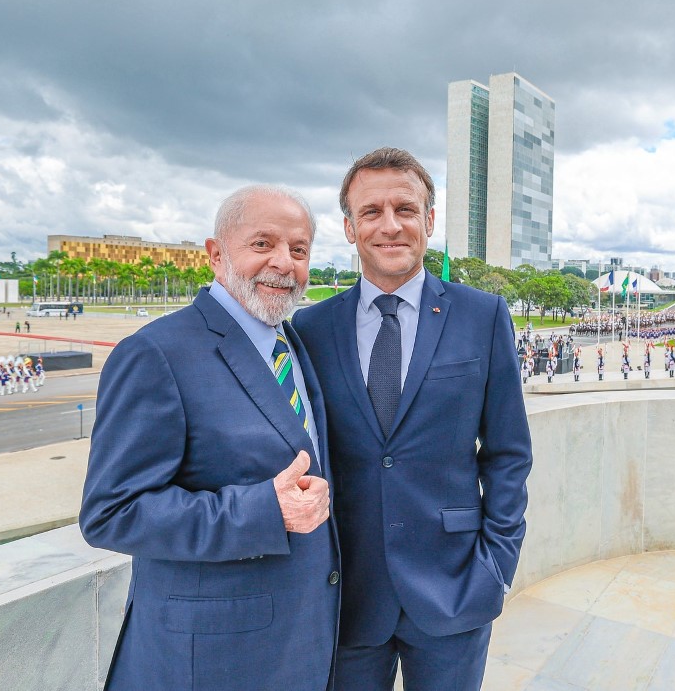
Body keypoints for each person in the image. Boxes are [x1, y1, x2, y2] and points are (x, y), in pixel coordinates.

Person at [79, 185, 339, 691]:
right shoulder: (156, 353)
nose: (284, 263)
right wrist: (265, 509)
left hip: (300, 645)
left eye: (299, 249)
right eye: (262, 244)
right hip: (209, 660)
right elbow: (110, 514)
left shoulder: (292, 343)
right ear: (216, 254)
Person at [292, 147, 533, 691]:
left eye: (405, 208)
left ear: (428, 220)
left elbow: (508, 454)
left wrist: (495, 568)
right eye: (371, 212)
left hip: (454, 588)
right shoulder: (310, 328)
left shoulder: (484, 316)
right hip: (347, 595)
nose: (390, 225)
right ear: (350, 229)